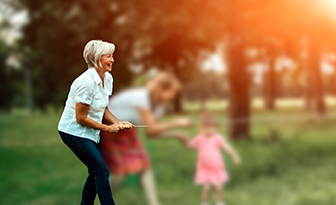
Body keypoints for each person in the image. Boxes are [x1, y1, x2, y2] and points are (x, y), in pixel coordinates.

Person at [57, 40, 134, 205]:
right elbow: (81, 118)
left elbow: (102, 108)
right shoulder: (85, 83)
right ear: (97, 58)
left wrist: (119, 123)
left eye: (112, 56)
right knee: (101, 170)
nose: (112, 60)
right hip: (73, 132)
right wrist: (107, 128)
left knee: (95, 171)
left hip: (91, 132)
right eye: (108, 56)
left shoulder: (108, 78)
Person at [100, 72, 193, 205]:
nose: (173, 96)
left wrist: (176, 135)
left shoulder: (161, 105)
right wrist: (175, 123)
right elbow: (152, 129)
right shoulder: (142, 98)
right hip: (110, 128)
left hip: (128, 130)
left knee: (144, 164)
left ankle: (153, 203)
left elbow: (152, 133)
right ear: (160, 89)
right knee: (120, 172)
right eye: (171, 92)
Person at [181, 113, 241, 205]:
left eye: (213, 128)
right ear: (201, 128)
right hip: (204, 168)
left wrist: (234, 155)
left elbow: (227, 147)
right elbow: (189, 146)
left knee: (219, 187)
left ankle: (219, 202)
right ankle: (205, 202)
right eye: (207, 127)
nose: (210, 130)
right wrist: (184, 140)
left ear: (217, 128)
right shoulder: (199, 138)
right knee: (206, 188)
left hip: (217, 168)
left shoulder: (217, 138)